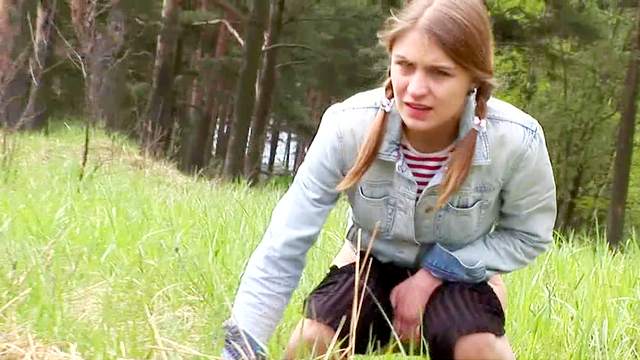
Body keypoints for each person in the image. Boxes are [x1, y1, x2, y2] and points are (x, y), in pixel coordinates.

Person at [222, 0, 556, 359]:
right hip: (370, 261)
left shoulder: (518, 139)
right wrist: (243, 348)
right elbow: (283, 244)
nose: (414, 89)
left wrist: (434, 274)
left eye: (439, 73)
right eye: (405, 66)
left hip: (460, 271)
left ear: (473, 78)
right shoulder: (346, 126)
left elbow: (528, 234)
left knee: (477, 348)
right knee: (311, 343)